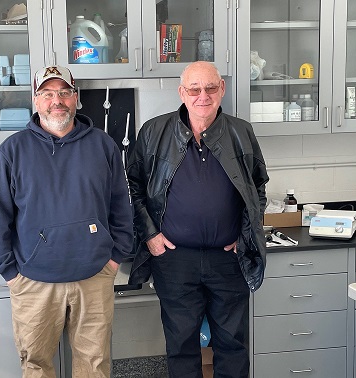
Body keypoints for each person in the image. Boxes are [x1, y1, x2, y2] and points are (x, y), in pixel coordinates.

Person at [0, 65, 134, 378]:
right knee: (36, 367)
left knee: (94, 366)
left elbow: (121, 204)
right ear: (36, 101)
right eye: (48, 94)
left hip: (94, 277)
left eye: (65, 93)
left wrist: (116, 257)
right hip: (34, 282)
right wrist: (11, 274)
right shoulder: (12, 151)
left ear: (76, 98)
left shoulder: (102, 145)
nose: (57, 101)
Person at [126, 61, 269, 378]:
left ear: (222, 89)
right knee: (181, 347)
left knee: (232, 346)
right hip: (174, 260)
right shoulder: (154, 131)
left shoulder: (241, 132)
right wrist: (150, 235)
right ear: (182, 92)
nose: (202, 95)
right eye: (194, 89)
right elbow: (131, 187)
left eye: (210, 87)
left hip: (229, 259)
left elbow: (257, 188)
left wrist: (246, 236)